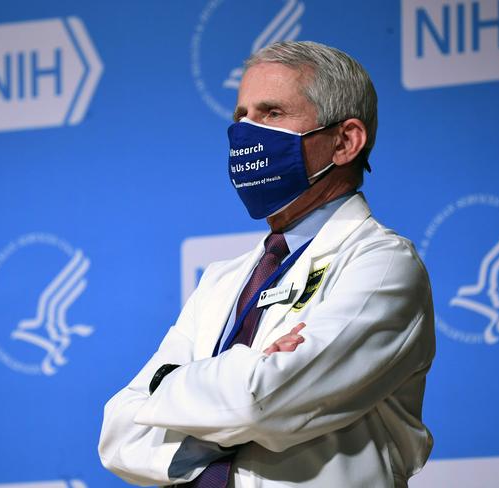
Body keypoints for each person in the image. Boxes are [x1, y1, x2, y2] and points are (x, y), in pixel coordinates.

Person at [98, 41, 435, 488]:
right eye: (242, 117)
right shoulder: (223, 280)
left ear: (345, 141)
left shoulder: (383, 265)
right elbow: (118, 434)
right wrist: (248, 371)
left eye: (272, 114)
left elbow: (261, 401)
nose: (245, 134)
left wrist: (167, 392)